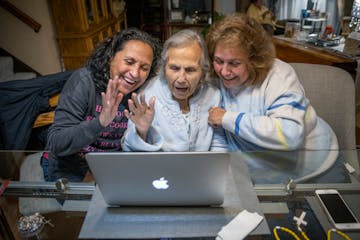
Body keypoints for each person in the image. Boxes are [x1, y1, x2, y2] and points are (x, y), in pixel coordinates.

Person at [206, 13, 340, 183]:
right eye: (219, 61)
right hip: (260, 173)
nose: (224, 71)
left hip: (316, 164)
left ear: (254, 60)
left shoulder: (278, 75)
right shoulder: (213, 78)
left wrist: (227, 118)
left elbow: (289, 134)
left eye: (234, 63)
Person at [43, 28, 161, 182]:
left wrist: (142, 131)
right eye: (129, 62)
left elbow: (133, 151)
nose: (135, 73)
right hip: (70, 167)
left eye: (144, 68)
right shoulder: (84, 82)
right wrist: (100, 122)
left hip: (112, 168)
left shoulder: (143, 92)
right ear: (110, 58)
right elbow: (56, 142)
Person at [121, 29, 227, 151]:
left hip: (203, 168)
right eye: (174, 68)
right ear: (164, 68)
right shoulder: (147, 95)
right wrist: (141, 131)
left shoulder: (213, 95)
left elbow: (218, 143)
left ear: (202, 71)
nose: (181, 79)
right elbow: (128, 149)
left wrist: (213, 167)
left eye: (190, 70)